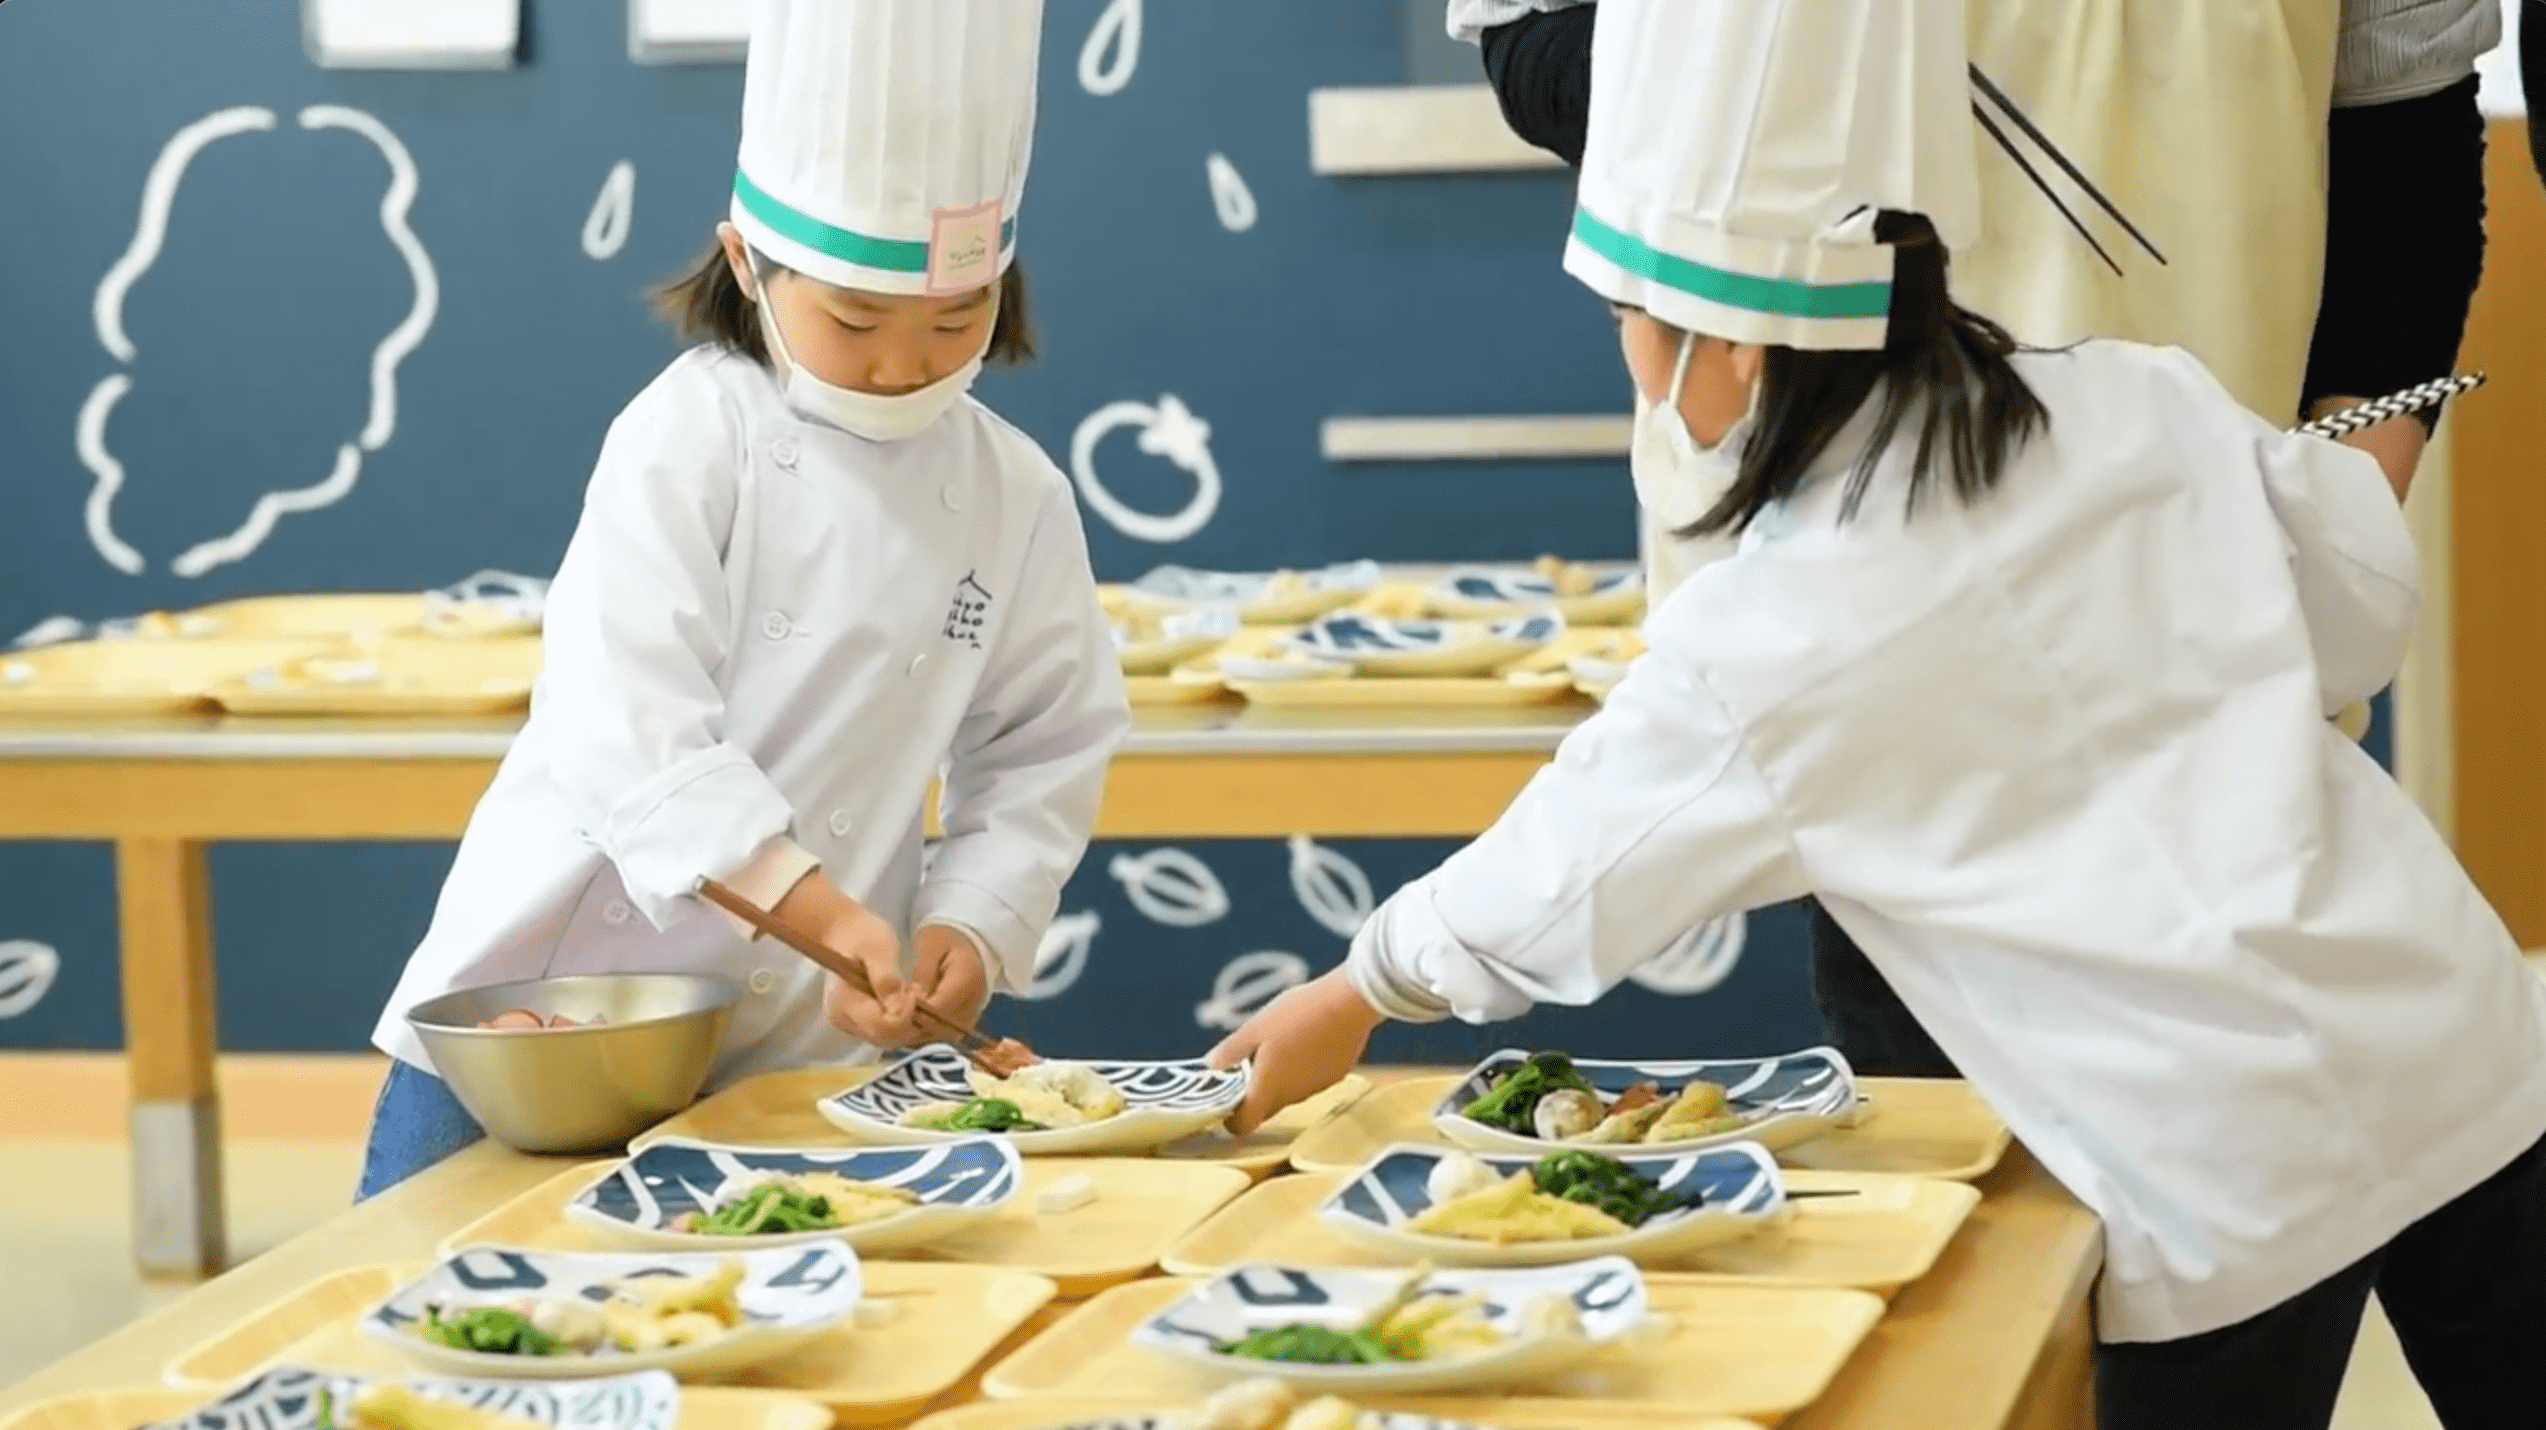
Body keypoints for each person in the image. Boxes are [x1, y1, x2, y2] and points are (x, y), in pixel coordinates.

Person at [1218, 3, 2546, 1425]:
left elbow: (1558, 873)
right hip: (2452, 1048)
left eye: (1630, 323)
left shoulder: (1770, 632)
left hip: (2213, 1163)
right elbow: (2352, 592)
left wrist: (1357, 986)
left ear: (1721, 352)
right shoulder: (2140, 397)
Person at [1453, 0, 2494, 1080]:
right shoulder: (1771, 657)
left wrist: (2329, 515)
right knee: (1982, 1201)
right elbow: (1531, 42)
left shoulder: (2161, 431)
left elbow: (2404, 135)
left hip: (2220, 652)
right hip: (1867, 652)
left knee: (2275, 1149)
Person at [356, 0, 1128, 1199]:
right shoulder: (690, 431)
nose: (901, 361)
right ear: (745, 263)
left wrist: (968, 925)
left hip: (806, 1033)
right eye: (855, 316)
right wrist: (809, 901)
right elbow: (624, 718)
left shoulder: (1012, 489)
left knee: (744, 1331)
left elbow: (1045, 741)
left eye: (954, 319)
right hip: (559, 1009)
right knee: (427, 1314)